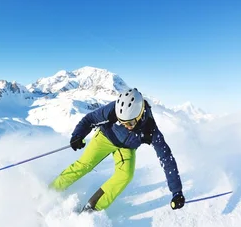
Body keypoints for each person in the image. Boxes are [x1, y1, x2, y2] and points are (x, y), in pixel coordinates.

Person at [50, 88, 185, 212]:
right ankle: (51, 190)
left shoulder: (150, 130)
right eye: (122, 122)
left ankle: (92, 208)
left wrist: (176, 192)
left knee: (125, 175)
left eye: (130, 123)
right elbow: (89, 119)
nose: (126, 126)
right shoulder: (113, 110)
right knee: (84, 164)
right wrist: (78, 135)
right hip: (105, 137)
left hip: (126, 148)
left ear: (139, 115)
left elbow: (166, 158)